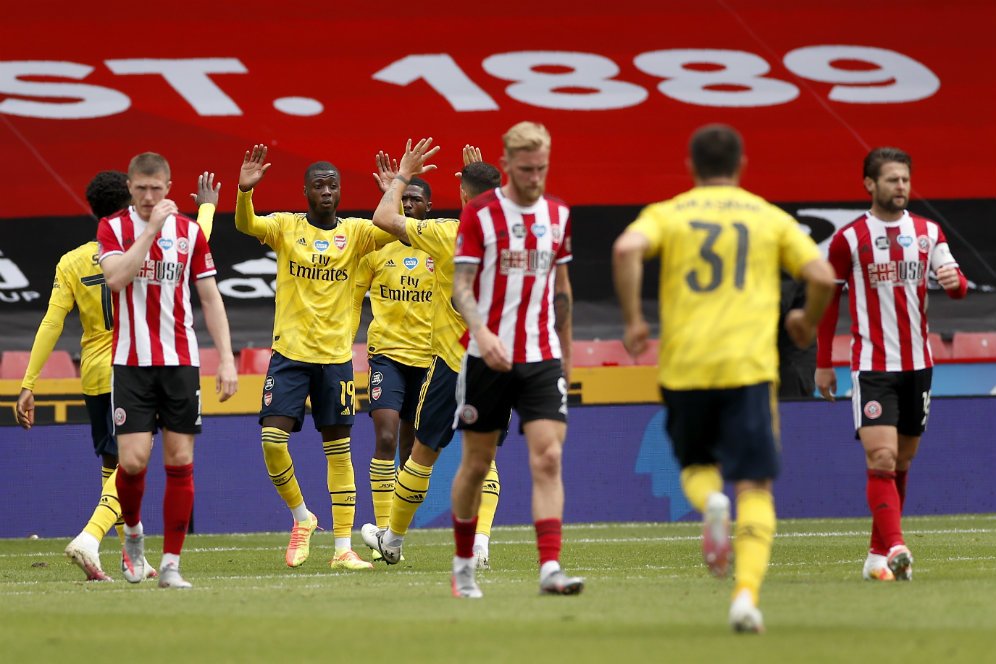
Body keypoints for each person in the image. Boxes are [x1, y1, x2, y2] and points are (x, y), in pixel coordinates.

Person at [612, 124, 836, 633]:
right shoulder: (769, 218)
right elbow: (822, 276)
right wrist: (804, 320)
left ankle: (711, 504)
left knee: (697, 464)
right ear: (742, 165)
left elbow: (626, 250)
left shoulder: (670, 213)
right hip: (749, 368)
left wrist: (632, 320)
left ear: (691, 168)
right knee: (755, 484)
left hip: (686, 367)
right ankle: (745, 597)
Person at [15, 170, 221, 582]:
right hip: (134, 363)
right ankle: (91, 538)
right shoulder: (151, 242)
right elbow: (196, 239)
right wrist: (208, 206)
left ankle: (133, 557)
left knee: (116, 466)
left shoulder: (72, 262)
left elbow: (51, 324)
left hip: (93, 372)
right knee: (132, 468)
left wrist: (29, 382)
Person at [235, 144, 397, 571]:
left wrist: (392, 190)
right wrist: (245, 192)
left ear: (340, 192)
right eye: (318, 184)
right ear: (305, 190)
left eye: (333, 184)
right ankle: (302, 517)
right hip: (289, 355)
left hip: (335, 359)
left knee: (339, 451)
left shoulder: (358, 233)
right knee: (272, 440)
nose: (326, 190)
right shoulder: (287, 227)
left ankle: (343, 548)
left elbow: (395, 227)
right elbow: (246, 224)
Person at [815, 147, 968, 583]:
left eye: (905, 179)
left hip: (919, 364)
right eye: (891, 180)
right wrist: (823, 363)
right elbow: (828, 302)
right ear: (870, 184)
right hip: (872, 365)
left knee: (901, 462)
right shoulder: (848, 239)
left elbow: (954, 284)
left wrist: (954, 284)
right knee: (880, 457)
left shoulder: (928, 232)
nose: (900, 187)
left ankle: (875, 556)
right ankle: (898, 546)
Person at [447, 122, 581, 599]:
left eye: (542, 168)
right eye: (526, 169)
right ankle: (463, 564)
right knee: (477, 465)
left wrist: (566, 355)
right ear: (506, 165)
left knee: (548, 457)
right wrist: (482, 332)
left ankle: (550, 568)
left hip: (541, 354)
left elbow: (561, 291)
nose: (535, 178)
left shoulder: (559, 216)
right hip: (488, 356)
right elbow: (461, 286)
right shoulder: (480, 215)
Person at [97, 152, 238, 588]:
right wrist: (152, 228)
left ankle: (172, 564)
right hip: (131, 363)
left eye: (156, 189)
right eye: (140, 188)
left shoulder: (191, 232)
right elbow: (117, 278)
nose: (147, 196)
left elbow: (211, 298)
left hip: (180, 361)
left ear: (169, 187)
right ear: (129, 185)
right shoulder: (113, 228)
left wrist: (227, 358)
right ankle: (134, 536)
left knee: (180, 460)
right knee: (134, 462)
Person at [361, 145, 504, 569]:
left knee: (423, 452)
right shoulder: (516, 238)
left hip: (451, 364)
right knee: (484, 456)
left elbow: (383, 220)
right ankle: (479, 544)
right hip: (497, 365)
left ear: (461, 194)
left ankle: (393, 539)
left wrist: (403, 175)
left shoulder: (447, 234)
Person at [350, 173, 435, 557]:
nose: (410, 204)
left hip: (430, 359)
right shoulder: (376, 248)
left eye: (416, 199)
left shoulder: (439, 246)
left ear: (428, 207)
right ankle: (383, 531)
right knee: (384, 439)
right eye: (404, 198)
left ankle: (393, 533)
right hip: (386, 356)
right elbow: (351, 298)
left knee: (412, 448)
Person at [777, 274, 817, 398]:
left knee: (790, 415)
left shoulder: (786, 266)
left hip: (792, 365)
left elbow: (779, 304)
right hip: (766, 362)